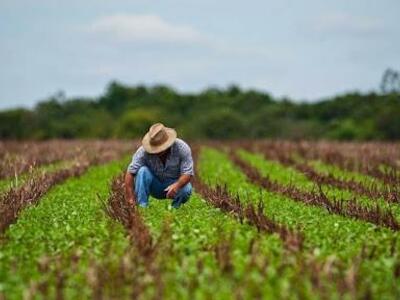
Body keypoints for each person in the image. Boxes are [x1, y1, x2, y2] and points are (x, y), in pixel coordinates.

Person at [125, 123, 194, 208]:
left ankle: (175, 209)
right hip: (155, 185)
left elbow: (187, 173)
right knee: (142, 171)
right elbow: (130, 173)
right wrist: (130, 198)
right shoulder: (143, 151)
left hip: (174, 184)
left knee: (186, 189)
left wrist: (176, 185)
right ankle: (142, 207)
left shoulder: (181, 148)